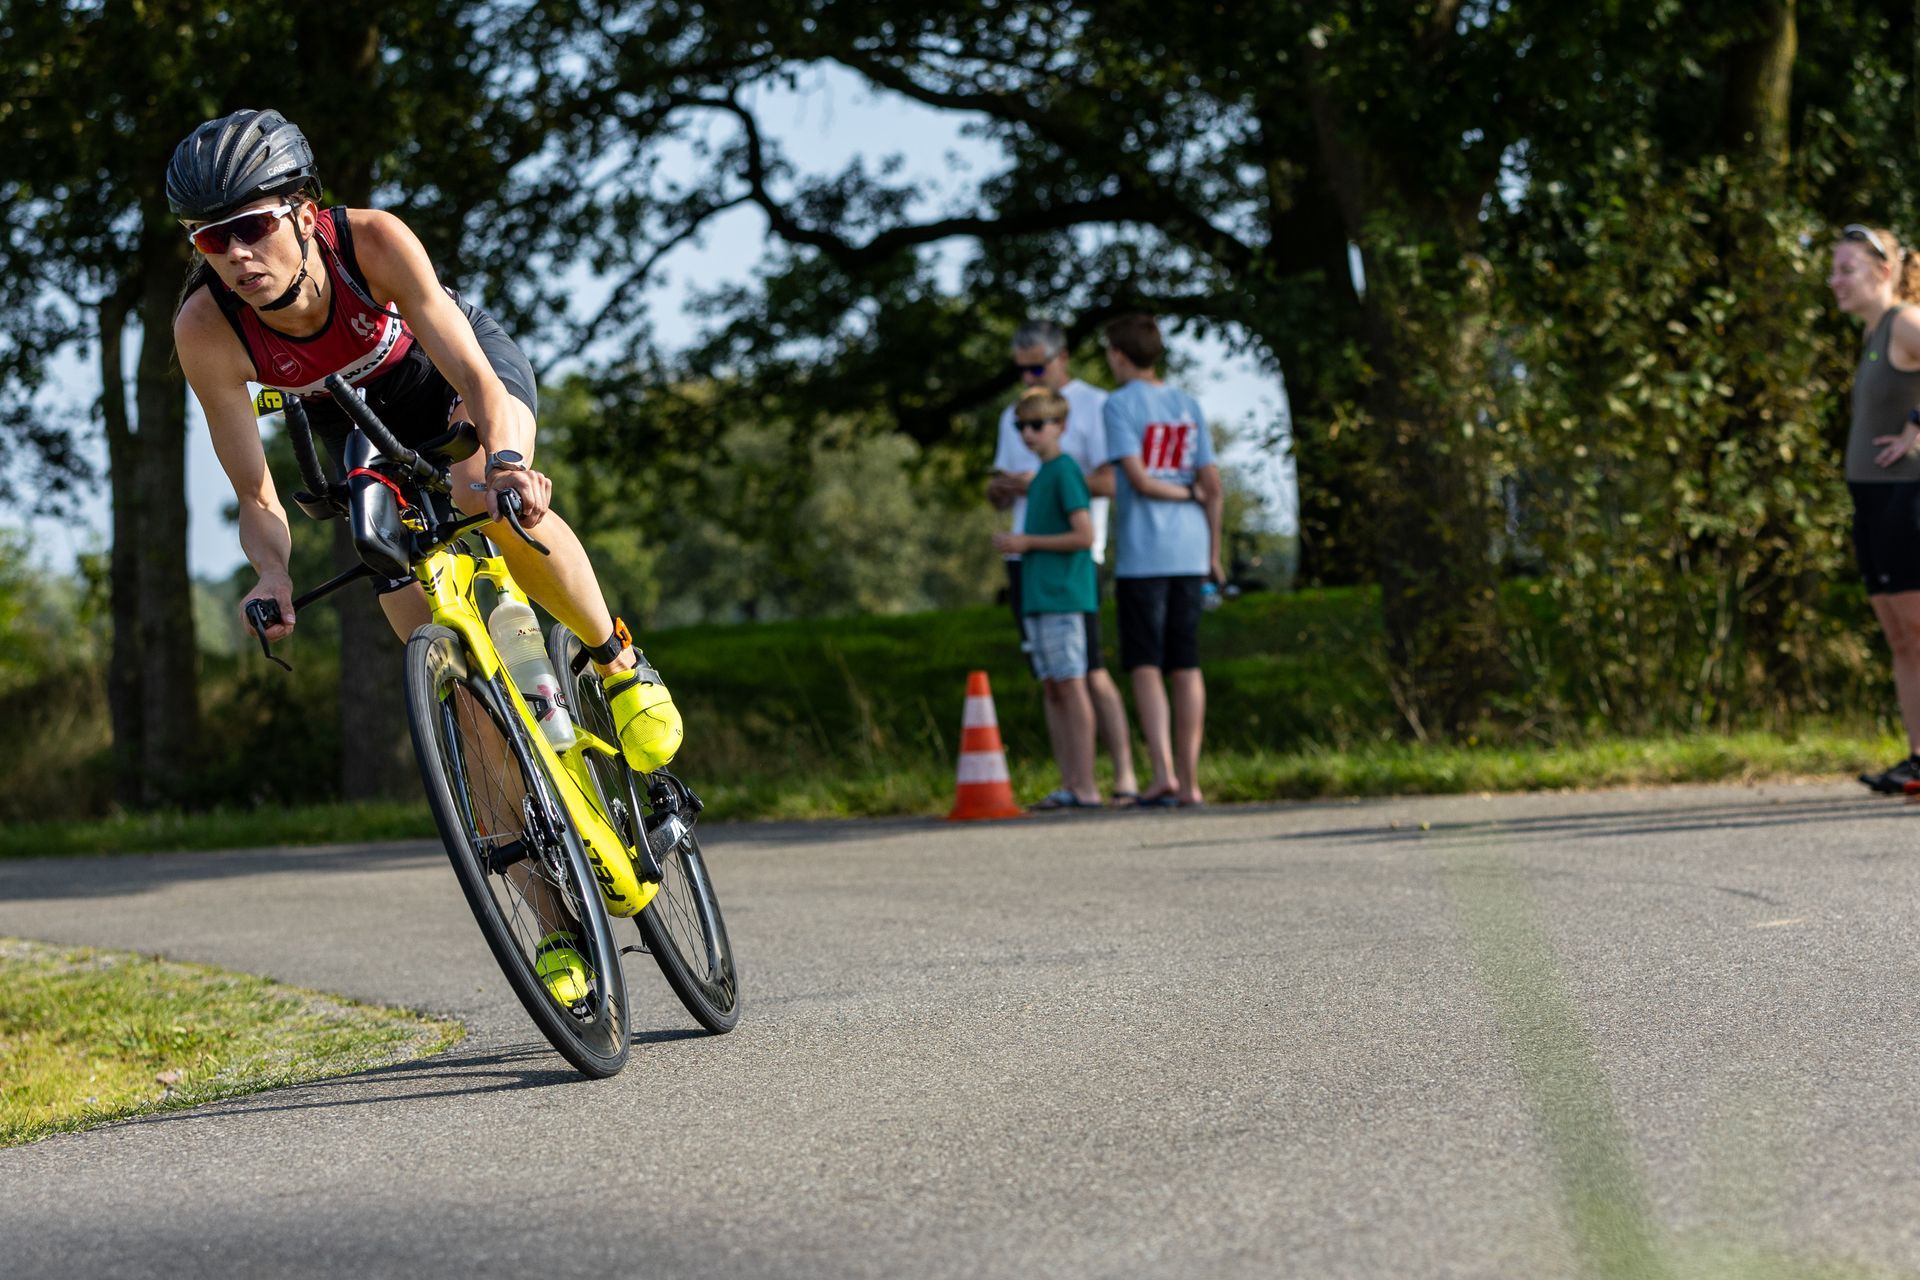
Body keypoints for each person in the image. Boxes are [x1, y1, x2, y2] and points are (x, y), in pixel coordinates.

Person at [167, 108, 678, 1000]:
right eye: (213, 240)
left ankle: (618, 661)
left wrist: (509, 460)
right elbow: (255, 495)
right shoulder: (207, 328)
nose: (237, 255)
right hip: (356, 426)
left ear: (302, 211)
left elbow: (477, 377)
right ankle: (553, 926)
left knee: (490, 501)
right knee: (432, 652)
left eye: (251, 227)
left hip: (452, 378)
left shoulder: (370, 242)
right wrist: (272, 571)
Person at [987, 320, 1140, 805]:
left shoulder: (1093, 408)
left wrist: (1042, 484)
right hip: (1029, 562)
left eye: (1037, 367)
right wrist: (1004, 489)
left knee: (1089, 673)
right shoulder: (1017, 415)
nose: (1028, 378)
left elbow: (1112, 484)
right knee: (1053, 679)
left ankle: (1119, 777)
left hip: (1071, 565)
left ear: (1062, 358)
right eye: (1021, 370)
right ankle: (1072, 780)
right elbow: (1005, 481)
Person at [1101, 313, 1223, 808]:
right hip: (1191, 552)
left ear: (1119, 355)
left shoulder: (1118, 404)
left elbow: (1139, 479)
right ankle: (1191, 782)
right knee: (1187, 664)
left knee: (1146, 665)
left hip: (1144, 554)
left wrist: (1181, 492)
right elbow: (1213, 485)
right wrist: (1213, 552)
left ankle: (1163, 774)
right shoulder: (1187, 404)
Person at [1830, 223, 1920, 793]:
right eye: (1833, 270)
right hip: (1870, 500)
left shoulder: (1905, 322)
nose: (1835, 281)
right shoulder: (1872, 333)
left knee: (1918, 631)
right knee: (1901, 639)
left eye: (1847, 269)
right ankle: (1918, 758)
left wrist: (1916, 427)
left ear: (1884, 271)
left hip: (1905, 496)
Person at [991, 389, 1101, 809]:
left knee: (1072, 684)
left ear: (1061, 426)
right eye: (1021, 426)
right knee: (1052, 687)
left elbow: (1085, 535)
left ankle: (1086, 785)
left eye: (1037, 425)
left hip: (1063, 595)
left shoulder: (1065, 471)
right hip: (1037, 594)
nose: (1028, 434)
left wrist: (1028, 542)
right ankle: (1068, 782)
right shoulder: (1038, 478)